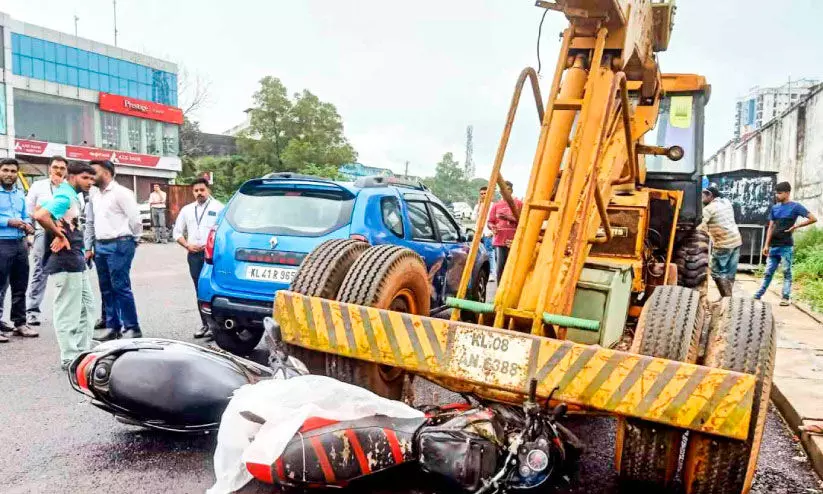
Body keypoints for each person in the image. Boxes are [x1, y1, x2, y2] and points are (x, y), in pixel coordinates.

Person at [33, 162, 96, 369]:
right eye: (85, 178)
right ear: (73, 176)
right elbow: (41, 215)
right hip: (65, 260)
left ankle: (82, 350)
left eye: (92, 179)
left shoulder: (71, 195)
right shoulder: (66, 196)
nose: (90, 182)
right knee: (68, 311)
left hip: (76, 259)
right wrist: (59, 234)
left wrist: (59, 230)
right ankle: (69, 356)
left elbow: (44, 212)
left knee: (87, 307)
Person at [87, 160, 143, 340]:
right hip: (100, 245)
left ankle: (133, 327)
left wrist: (135, 238)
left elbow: (135, 219)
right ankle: (113, 327)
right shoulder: (94, 195)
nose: (90, 175)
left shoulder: (122, 193)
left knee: (120, 286)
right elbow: (90, 222)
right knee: (106, 288)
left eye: (94, 171)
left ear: (107, 172)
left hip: (120, 243)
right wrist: (90, 246)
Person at [173, 177, 224, 339]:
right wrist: (187, 245)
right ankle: (205, 325)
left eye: (202, 190)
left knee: (215, 289)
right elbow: (177, 232)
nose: (199, 193)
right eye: (196, 191)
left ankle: (218, 326)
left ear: (208, 190)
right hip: (194, 254)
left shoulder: (219, 208)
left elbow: (223, 233)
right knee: (200, 290)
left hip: (212, 256)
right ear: (192, 192)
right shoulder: (187, 210)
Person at [754, 181, 817, 305]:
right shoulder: (775, 208)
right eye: (776, 193)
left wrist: (796, 226)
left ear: (787, 193)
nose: (777, 195)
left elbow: (813, 218)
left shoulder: (795, 207)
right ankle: (759, 294)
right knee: (768, 272)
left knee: (786, 271)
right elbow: (771, 227)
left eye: (780, 193)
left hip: (786, 246)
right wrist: (766, 245)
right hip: (774, 246)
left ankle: (785, 297)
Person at [24, 156, 68, 326]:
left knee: (66, 272)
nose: (58, 170)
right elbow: (29, 210)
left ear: (66, 171)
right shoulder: (38, 186)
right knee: (39, 272)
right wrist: (31, 233)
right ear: (50, 168)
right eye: (55, 167)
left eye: (62, 168)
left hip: (64, 233)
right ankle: (32, 311)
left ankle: (66, 313)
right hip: (43, 232)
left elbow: (77, 210)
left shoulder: (68, 188)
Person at [0, 158, 37, 342]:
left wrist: (28, 225)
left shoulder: (19, 193)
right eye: (5, 170)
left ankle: (20, 323)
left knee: (20, 285)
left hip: (20, 244)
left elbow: (25, 216)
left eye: (13, 171)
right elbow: (10, 219)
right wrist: (7, 221)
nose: (9, 174)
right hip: (1, 243)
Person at [698, 186, 742, 297]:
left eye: (703, 195)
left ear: (710, 195)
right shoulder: (726, 203)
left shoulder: (709, 209)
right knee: (730, 274)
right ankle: (728, 301)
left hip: (723, 244)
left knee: (717, 272)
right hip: (736, 241)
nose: (702, 197)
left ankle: (727, 299)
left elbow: (700, 227)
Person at [487, 181, 522, 282]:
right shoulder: (496, 205)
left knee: (514, 266)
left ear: (511, 191)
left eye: (507, 190)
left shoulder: (519, 204)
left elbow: (524, 221)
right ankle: (499, 290)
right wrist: (492, 227)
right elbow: (490, 221)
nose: (505, 192)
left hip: (515, 239)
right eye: (502, 190)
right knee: (501, 266)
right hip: (500, 240)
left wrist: (508, 217)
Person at [472, 185, 496, 280]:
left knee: (489, 252)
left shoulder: (493, 206)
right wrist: (478, 209)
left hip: (488, 232)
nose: (483, 195)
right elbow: (473, 218)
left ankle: (492, 273)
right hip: (479, 232)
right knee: (478, 253)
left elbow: (495, 220)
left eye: (485, 193)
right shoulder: (477, 206)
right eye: (481, 194)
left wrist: (492, 231)